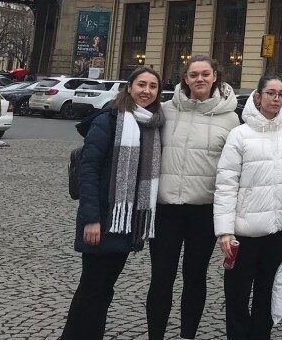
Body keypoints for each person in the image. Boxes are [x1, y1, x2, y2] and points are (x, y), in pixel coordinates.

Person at [62, 67, 165, 339]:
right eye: (141, 84)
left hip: (125, 222)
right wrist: (91, 219)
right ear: (129, 87)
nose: (146, 91)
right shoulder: (108, 119)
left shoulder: (151, 124)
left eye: (152, 86)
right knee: (92, 288)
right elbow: (89, 171)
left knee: (105, 288)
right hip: (103, 218)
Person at [147, 55, 241, 340]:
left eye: (205, 74)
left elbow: (235, 169)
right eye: (193, 74)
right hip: (166, 210)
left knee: (195, 277)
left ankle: (188, 335)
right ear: (184, 79)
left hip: (203, 210)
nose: (199, 79)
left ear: (216, 77)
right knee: (161, 278)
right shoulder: (164, 111)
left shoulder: (231, 118)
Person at [213, 76, 282, 340]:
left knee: (267, 293)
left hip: (278, 231)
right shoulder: (239, 134)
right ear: (258, 96)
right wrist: (224, 231)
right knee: (237, 295)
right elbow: (226, 184)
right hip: (243, 233)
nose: (276, 98)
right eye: (270, 93)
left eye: (281, 94)